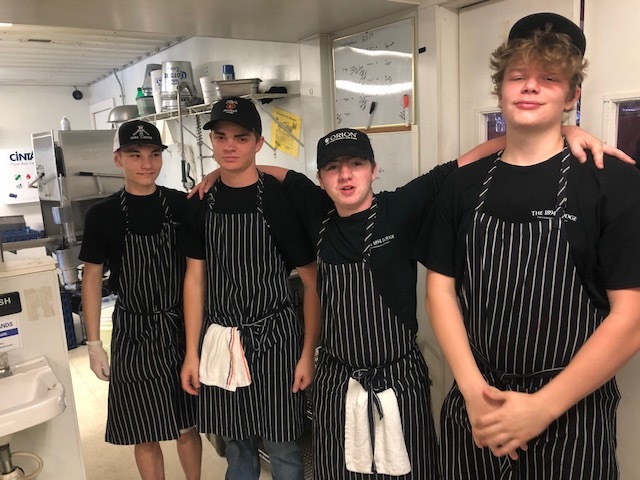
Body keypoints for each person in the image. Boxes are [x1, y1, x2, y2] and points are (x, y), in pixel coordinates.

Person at [191, 120, 623, 479]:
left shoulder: (401, 206)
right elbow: (278, 173)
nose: (345, 176)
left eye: (356, 164)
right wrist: (218, 175)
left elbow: (467, 160)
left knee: (412, 471)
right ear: (321, 178)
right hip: (337, 378)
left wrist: (561, 130)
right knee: (337, 470)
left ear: (373, 170)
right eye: (333, 168)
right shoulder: (315, 209)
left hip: (400, 377)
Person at [423, 12, 640, 479]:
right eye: (518, 76)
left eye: (550, 78)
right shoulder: (462, 185)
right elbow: (439, 290)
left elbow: (632, 316)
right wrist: (474, 393)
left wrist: (542, 407)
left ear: (572, 95)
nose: (531, 87)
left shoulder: (614, 183)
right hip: (476, 412)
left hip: (571, 416)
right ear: (500, 88)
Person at [179, 97, 321, 479]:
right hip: (221, 340)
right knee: (237, 449)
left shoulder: (278, 199)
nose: (229, 146)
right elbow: (194, 279)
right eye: (221, 137)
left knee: (283, 448)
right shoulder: (199, 204)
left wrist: (307, 353)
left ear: (258, 142)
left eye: (241, 138)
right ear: (211, 140)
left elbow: (311, 282)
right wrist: (191, 353)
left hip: (276, 342)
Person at [79, 119, 202, 479]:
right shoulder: (102, 215)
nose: (146, 164)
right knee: (143, 430)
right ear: (118, 159)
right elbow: (91, 279)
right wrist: (93, 344)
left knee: (187, 426)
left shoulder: (181, 205)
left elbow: (197, 272)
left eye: (153, 154)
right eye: (135, 155)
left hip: (178, 327)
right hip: (132, 332)